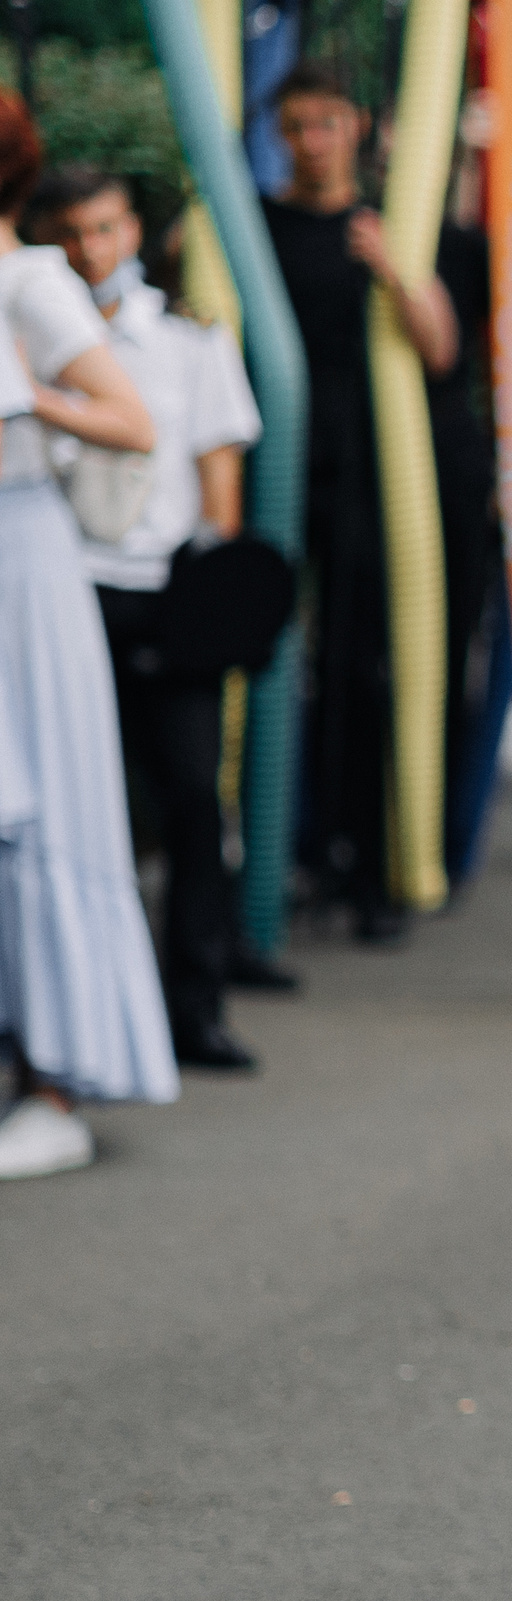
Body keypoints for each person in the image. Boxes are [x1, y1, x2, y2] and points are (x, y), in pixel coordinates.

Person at [29, 166, 267, 1071]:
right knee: (82, 805)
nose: (95, 250)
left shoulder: (188, 341)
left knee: (193, 800)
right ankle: (79, 1012)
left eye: (108, 228)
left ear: (134, 230)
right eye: (75, 234)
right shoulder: (39, 335)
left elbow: (219, 479)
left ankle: (192, 1005)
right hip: (72, 585)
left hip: (167, 593)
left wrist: (211, 595)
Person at [0, 94, 175, 1178]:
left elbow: (133, 420)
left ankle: (56, 1077)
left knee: (40, 814)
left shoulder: (29, 282)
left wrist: (32, 402)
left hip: (23, 557)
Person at [263, 60, 468, 942]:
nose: (314, 142)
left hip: (366, 478)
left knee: (365, 667)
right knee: (280, 670)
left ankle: (373, 861)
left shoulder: (389, 226)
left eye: (328, 124)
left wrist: (390, 264)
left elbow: (440, 348)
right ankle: (295, 852)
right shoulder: (258, 227)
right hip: (281, 470)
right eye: (298, 126)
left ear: (357, 129)